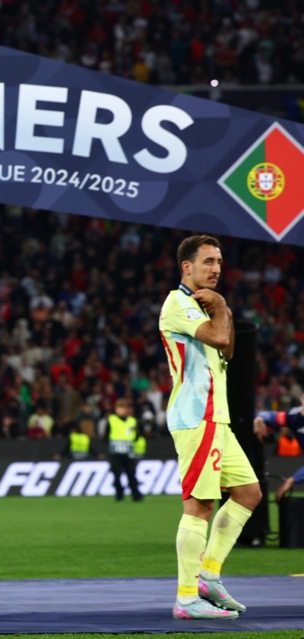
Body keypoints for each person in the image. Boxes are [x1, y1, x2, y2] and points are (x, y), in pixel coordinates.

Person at [159, 234, 262, 620]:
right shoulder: (177, 303)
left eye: (219, 261)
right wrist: (221, 307)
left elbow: (228, 350)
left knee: (248, 493)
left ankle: (208, 575)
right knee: (199, 505)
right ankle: (187, 598)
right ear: (187, 267)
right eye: (208, 261)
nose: (216, 268)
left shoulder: (205, 305)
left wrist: (224, 310)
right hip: (196, 416)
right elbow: (219, 337)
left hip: (217, 416)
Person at [105, 398, 143, 502]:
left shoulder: (132, 421)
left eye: (123, 407)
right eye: (119, 407)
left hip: (129, 452)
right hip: (115, 452)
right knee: (116, 474)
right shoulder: (112, 420)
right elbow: (106, 435)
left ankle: (136, 495)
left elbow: (138, 435)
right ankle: (119, 495)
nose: (121, 410)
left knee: (131, 474)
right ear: (116, 409)